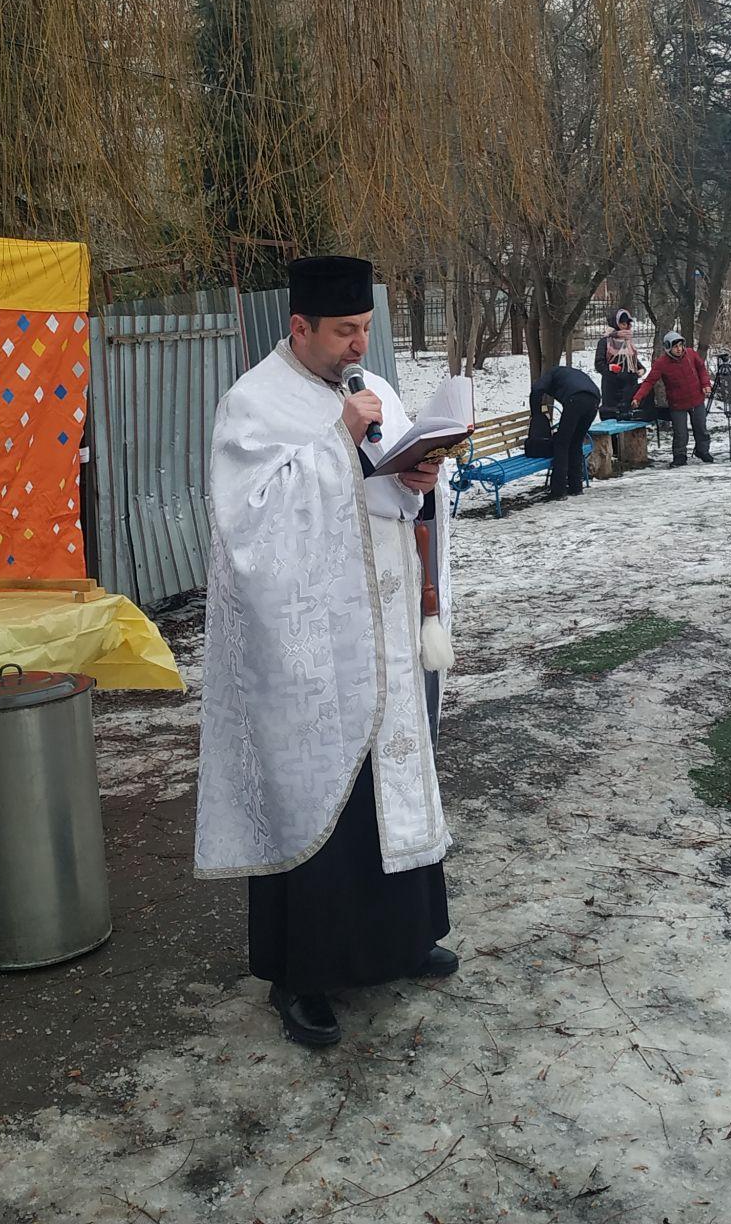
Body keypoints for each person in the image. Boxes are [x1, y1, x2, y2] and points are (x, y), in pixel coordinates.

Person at [195, 255, 456, 1050]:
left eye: (365, 329)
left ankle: (400, 940)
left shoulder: (371, 387)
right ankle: (300, 976)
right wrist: (336, 441)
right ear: (299, 327)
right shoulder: (252, 403)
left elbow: (381, 491)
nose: (357, 346)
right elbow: (248, 528)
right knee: (318, 802)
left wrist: (416, 479)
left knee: (390, 783)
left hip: (379, 633)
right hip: (307, 653)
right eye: (343, 332)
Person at [632, 331, 712, 466]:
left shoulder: (691, 354)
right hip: (678, 403)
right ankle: (679, 455)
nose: (679, 349)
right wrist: (637, 397)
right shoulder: (662, 363)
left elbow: (701, 369)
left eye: (681, 345)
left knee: (701, 427)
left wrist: (705, 384)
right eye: (675, 347)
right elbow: (649, 382)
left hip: (696, 398)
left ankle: (702, 450)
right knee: (680, 433)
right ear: (668, 347)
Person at [528, 361, 600, 500]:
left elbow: (536, 389)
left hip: (576, 400)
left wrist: (536, 414)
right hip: (594, 401)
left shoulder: (551, 374)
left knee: (561, 444)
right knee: (576, 442)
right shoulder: (568, 374)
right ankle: (575, 487)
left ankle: (558, 491)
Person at [595, 309, 641, 418]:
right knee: (612, 421)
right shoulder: (605, 341)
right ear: (616, 323)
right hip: (612, 389)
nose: (625, 327)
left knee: (628, 424)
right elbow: (598, 364)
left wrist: (640, 369)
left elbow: (634, 362)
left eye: (627, 324)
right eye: (622, 323)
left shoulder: (628, 342)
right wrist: (610, 368)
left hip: (629, 389)